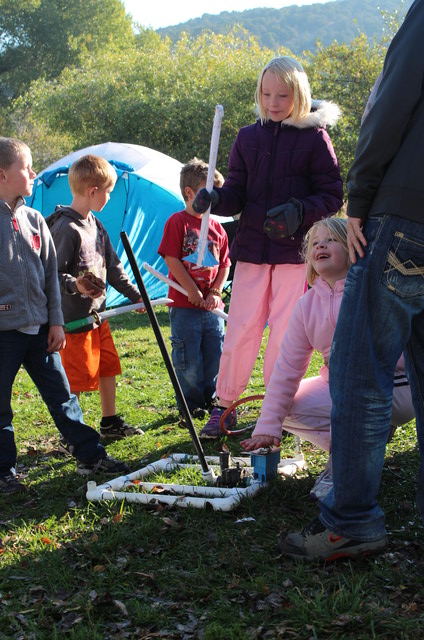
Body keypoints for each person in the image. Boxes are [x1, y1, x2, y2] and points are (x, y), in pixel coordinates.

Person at [279, 0, 424, 561]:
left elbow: (392, 102)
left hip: (408, 212)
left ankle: (353, 522)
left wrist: (358, 197)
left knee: (360, 372)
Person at [193, 55, 344, 439]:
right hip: (252, 251)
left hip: (295, 256)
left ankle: (278, 408)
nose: (273, 102)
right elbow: (237, 194)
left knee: (285, 334)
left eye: (283, 94)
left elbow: (331, 195)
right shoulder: (248, 137)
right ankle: (224, 404)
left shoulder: (315, 138)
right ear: (259, 94)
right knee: (241, 328)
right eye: (266, 93)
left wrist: (299, 211)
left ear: (300, 95)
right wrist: (214, 199)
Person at [240, 217, 414, 500]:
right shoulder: (306, 306)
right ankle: (364, 445)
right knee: (287, 407)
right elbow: (286, 370)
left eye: (332, 239)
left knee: (351, 395)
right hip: (342, 389)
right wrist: (268, 425)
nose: (321, 244)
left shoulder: (375, 290)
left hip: (395, 387)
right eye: (314, 243)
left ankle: (343, 467)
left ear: (354, 247)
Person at [0, 138, 129, 494]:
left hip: (40, 331)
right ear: (2, 175)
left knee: (62, 396)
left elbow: (49, 279)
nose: (32, 172)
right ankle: (3, 471)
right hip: (4, 334)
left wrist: (55, 322)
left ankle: (91, 454)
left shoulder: (34, 220)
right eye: (26, 167)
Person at [47, 154, 145, 447]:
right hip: (73, 322)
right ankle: (72, 434)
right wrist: (76, 286)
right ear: (93, 191)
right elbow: (52, 275)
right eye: (108, 191)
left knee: (107, 367)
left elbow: (113, 267)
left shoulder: (96, 226)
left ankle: (110, 422)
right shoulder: (67, 229)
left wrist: (136, 296)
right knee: (74, 381)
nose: (109, 197)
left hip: (97, 317)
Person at [157, 158, 230, 423]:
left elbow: (224, 264)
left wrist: (215, 292)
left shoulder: (218, 228)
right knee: (188, 357)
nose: (215, 198)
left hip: (211, 308)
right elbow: (172, 259)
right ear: (190, 192)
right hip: (184, 305)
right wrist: (191, 289)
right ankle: (191, 405)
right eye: (208, 191)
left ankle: (212, 399)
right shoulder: (178, 222)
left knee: (214, 353)